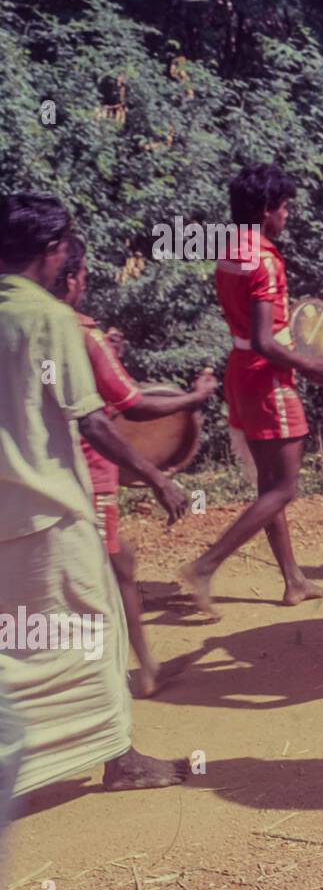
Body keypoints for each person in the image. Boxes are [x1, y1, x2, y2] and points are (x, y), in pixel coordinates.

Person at [0, 193, 189, 794]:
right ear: (53, 251)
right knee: (93, 627)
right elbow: (94, 421)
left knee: (18, 638)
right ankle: (119, 757)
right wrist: (158, 477)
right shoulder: (49, 319)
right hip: (49, 510)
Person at [54, 235, 217, 696]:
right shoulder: (83, 334)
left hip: (39, 476)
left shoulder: (24, 325)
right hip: (86, 475)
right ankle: (121, 679)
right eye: (83, 276)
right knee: (107, 573)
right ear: (70, 278)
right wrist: (196, 398)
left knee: (119, 564)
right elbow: (133, 406)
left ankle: (145, 667)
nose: (85, 285)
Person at [181, 165, 323, 616]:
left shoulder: (231, 251)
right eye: (285, 207)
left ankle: (293, 579)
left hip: (243, 375)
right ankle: (205, 565)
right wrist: (311, 365)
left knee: (270, 485)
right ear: (267, 210)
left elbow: (259, 324)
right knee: (284, 489)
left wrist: (315, 305)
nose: (287, 215)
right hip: (268, 379)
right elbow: (266, 341)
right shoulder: (266, 259)